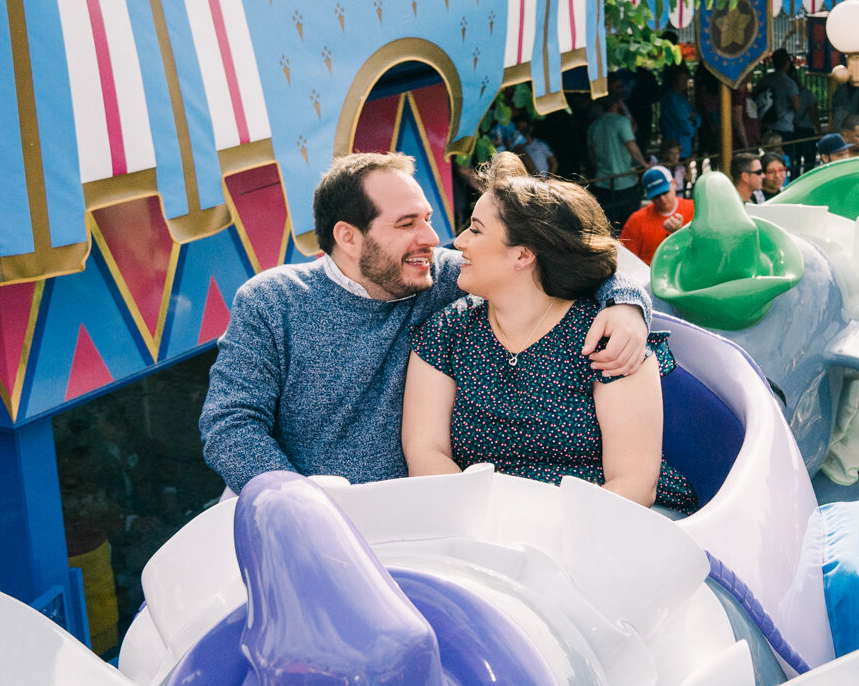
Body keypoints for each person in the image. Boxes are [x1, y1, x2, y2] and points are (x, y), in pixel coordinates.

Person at [199, 152, 651, 491]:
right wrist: (296, 502)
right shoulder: (270, 301)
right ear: (348, 237)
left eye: (428, 219)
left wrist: (627, 304)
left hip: (414, 515)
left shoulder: (445, 275)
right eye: (406, 224)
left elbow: (567, 256)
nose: (434, 239)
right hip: (307, 513)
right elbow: (230, 424)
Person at [403, 174, 695, 510]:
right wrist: (482, 524)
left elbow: (634, 484)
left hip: (605, 520)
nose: (459, 242)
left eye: (477, 229)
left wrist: (542, 535)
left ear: (523, 255)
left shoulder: (606, 338)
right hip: (481, 521)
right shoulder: (447, 331)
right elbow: (426, 453)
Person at [587, 95, 648, 224]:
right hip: (624, 181)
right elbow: (631, 145)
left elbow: (591, 155)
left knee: (610, 222)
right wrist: (643, 164)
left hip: (603, 181)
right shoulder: (622, 122)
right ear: (615, 105)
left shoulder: (593, 126)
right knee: (630, 222)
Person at [619, 167, 693, 262]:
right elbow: (626, 259)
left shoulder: (693, 209)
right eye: (656, 196)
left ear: (674, 184)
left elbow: (704, 250)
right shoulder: (636, 221)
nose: (662, 199)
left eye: (665, 192)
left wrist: (681, 233)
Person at [659, 66, 701, 163]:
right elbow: (686, 128)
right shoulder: (670, 99)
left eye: (686, 80)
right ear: (674, 81)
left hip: (685, 148)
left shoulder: (682, 98)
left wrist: (693, 121)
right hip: (674, 150)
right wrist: (692, 123)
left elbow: (698, 117)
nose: (684, 83)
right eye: (682, 80)